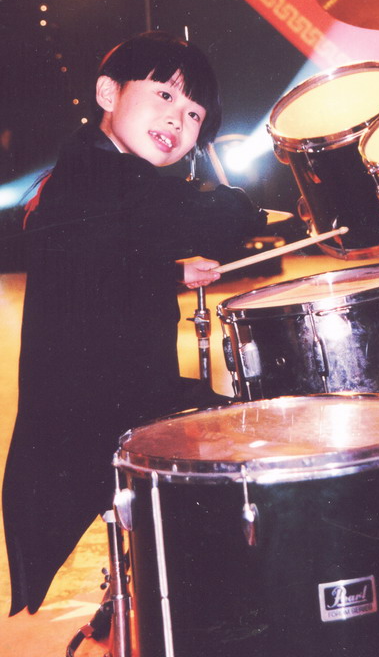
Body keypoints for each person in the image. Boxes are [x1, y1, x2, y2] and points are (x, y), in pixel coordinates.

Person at [2, 31, 267, 616]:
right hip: (104, 422)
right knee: (259, 447)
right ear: (108, 94)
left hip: (98, 406)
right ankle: (198, 608)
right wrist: (240, 204)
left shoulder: (83, 168)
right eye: (164, 96)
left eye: (194, 114)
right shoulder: (106, 177)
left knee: (238, 422)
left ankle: (171, 589)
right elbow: (212, 218)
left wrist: (167, 271)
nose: (179, 119)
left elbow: (95, 259)